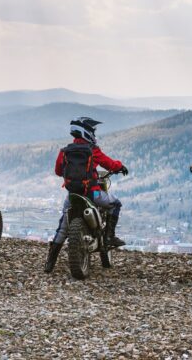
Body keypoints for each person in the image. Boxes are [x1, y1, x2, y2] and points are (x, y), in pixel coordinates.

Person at [44, 117, 129, 273]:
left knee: (63, 229)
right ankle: (109, 236)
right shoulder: (92, 150)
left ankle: (50, 263)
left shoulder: (64, 151)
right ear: (87, 132)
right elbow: (109, 163)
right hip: (92, 193)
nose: (94, 133)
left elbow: (58, 171)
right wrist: (120, 166)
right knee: (115, 204)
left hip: (72, 195)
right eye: (93, 131)